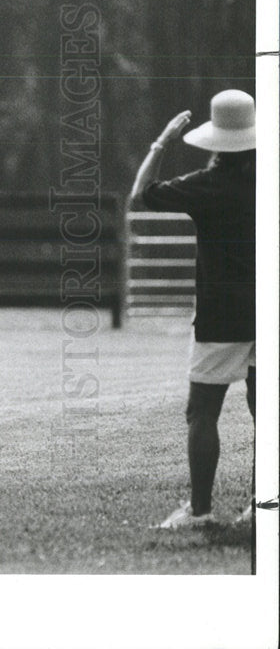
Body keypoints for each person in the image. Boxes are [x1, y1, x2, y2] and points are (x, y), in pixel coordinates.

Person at [129, 89, 256, 529]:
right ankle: (262, 506)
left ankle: (200, 511)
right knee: (266, 411)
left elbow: (140, 194)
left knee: (202, 411)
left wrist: (160, 143)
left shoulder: (205, 185)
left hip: (221, 313)